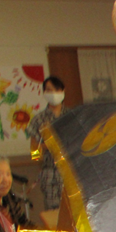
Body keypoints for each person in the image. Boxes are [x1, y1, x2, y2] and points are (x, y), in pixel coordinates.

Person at [26, 76, 69, 210]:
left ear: (63, 91)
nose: (54, 93)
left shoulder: (72, 115)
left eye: (57, 89)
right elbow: (34, 151)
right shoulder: (38, 119)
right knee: (53, 212)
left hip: (71, 172)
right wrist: (47, 147)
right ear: (44, 93)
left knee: (73, 213)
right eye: (49, 90)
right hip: (50, 173)